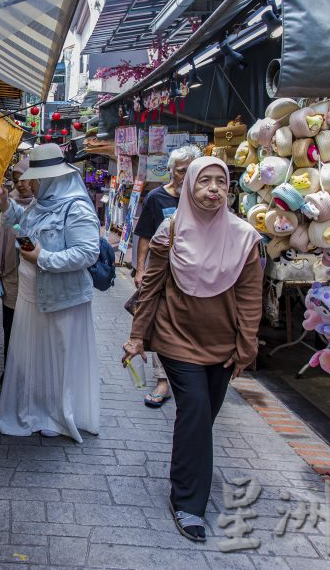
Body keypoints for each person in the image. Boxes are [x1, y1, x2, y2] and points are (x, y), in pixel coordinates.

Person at [121, 157, 262, 543]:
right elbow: (150, 288)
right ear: (189, 187)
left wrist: (246, 347)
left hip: (222, 343)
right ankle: (188, 503)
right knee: (195, 410)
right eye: (205, 182)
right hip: (175, 337)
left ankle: (189, 472)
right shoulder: (171, 231)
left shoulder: (244, 237)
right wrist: (138, 336)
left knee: (203, 418)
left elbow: (250, 297)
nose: (213, 189)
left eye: (221, 182)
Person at [0, 143, 101, 442]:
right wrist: (5, 205)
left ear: (51, 179)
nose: (31, 184)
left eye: (35, 179)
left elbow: (88, 253)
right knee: (36, 358)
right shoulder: (42, 203)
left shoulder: (75, 207)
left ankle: (55, 413)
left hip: (60, 299)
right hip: (33, 296)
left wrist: (44, 259)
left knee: (59, 357)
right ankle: (38, 408)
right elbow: (22, 226)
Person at [131, 144, 202, 408]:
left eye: (191, 170)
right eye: (181, 170)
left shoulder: (203, 199)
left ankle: (187, 371)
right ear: (171, 171)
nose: (185, 176)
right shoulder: (157, 198)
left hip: (196, 277)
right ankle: (163, 380)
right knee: (162, 324)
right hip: (164, 274)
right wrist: (141, 270)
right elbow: (145, 236)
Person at [0, 157, 34, 382]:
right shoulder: (9, 205)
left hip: (33, 279)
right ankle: (10, 374)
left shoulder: (40, 206)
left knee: (29, 332)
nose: (20, 185)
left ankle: (28, 376)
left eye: (24, 180)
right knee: (10, 326)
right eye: (16, 181)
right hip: (12, 277)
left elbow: (28, 241)